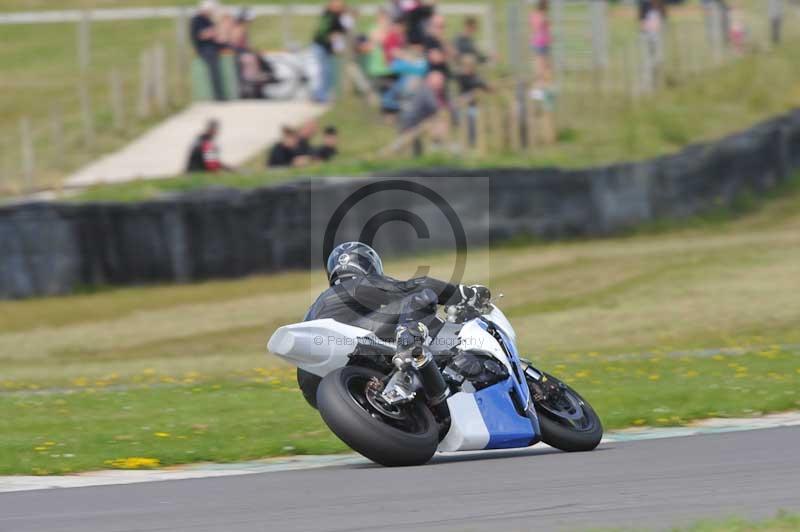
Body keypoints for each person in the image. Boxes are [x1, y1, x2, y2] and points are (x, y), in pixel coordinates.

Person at [297, 241, 491, 404]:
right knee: (423, 296)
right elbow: (418, 285)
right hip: (355, 347)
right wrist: (465, 294)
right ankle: (408, 348)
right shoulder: (361, 284)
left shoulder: (317, 304)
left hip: (312, 380)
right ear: (369, 265)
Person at [311, 0, 349, 103]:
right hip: (320, 46)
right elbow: (325, 31)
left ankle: (322, 94)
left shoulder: (337, 15)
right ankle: (320, 95)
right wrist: (331, 37)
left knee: (328, 72)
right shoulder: (329, 14)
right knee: (324, 72)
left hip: (326, 48)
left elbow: (343, 29)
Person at [190, 0, 227, 101]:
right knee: (214, 69)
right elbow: (201, 35)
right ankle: (218, 95)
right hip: (204, 48)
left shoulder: (208, 20)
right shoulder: (196, 20)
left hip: (213, 46)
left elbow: (216, 34)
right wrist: (213, 32)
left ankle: (222, 93)